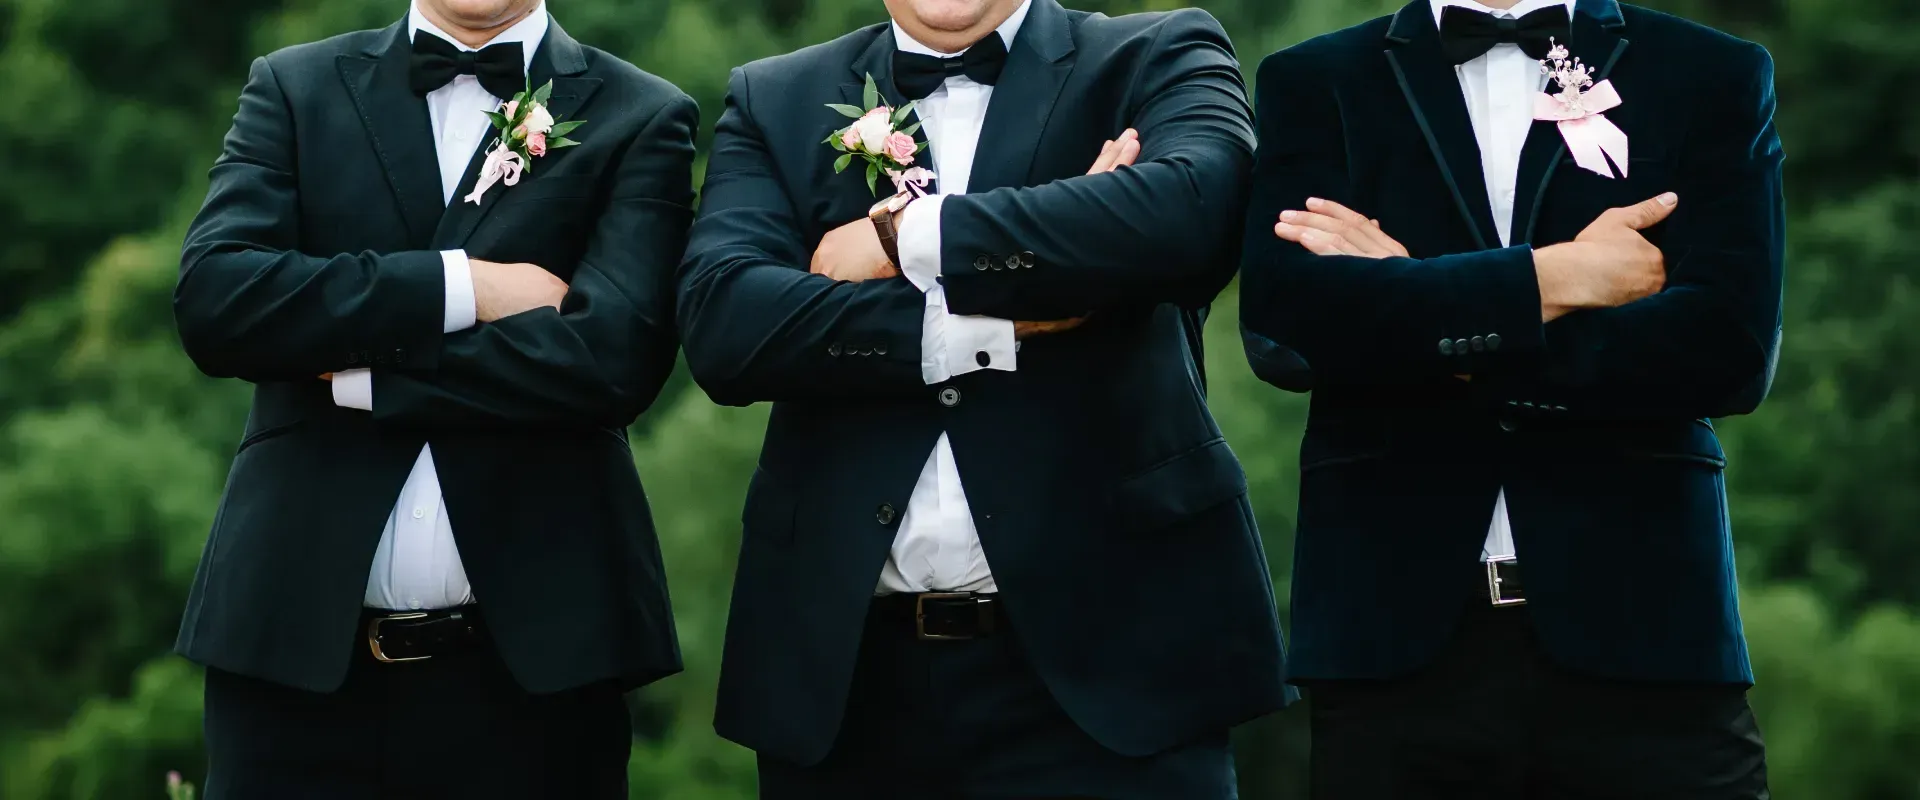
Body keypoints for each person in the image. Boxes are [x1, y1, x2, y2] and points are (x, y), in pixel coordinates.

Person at [676, 0, 1291, 795]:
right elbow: (728, 325)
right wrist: (1002, 314)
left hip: (1120, 675)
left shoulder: (1156, 53)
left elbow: (1190, 215)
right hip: (849, 689)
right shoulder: (775, 94)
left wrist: (906, 236)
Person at [1240, 0, 1783, 797]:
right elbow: (1288, 330)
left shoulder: (1712, 71)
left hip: (1649, 628)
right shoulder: (1314, 81)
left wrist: (1417, 302)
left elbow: (1728, 348)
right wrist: (1559, 280)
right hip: (1392, 640)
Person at [171, 0, 696, 796]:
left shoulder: (642, 112)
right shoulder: (295, 86)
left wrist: (361, 376)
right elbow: (219, 302)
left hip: (537, 674)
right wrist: (464, 286)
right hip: (292, 658)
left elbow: (610, 360)